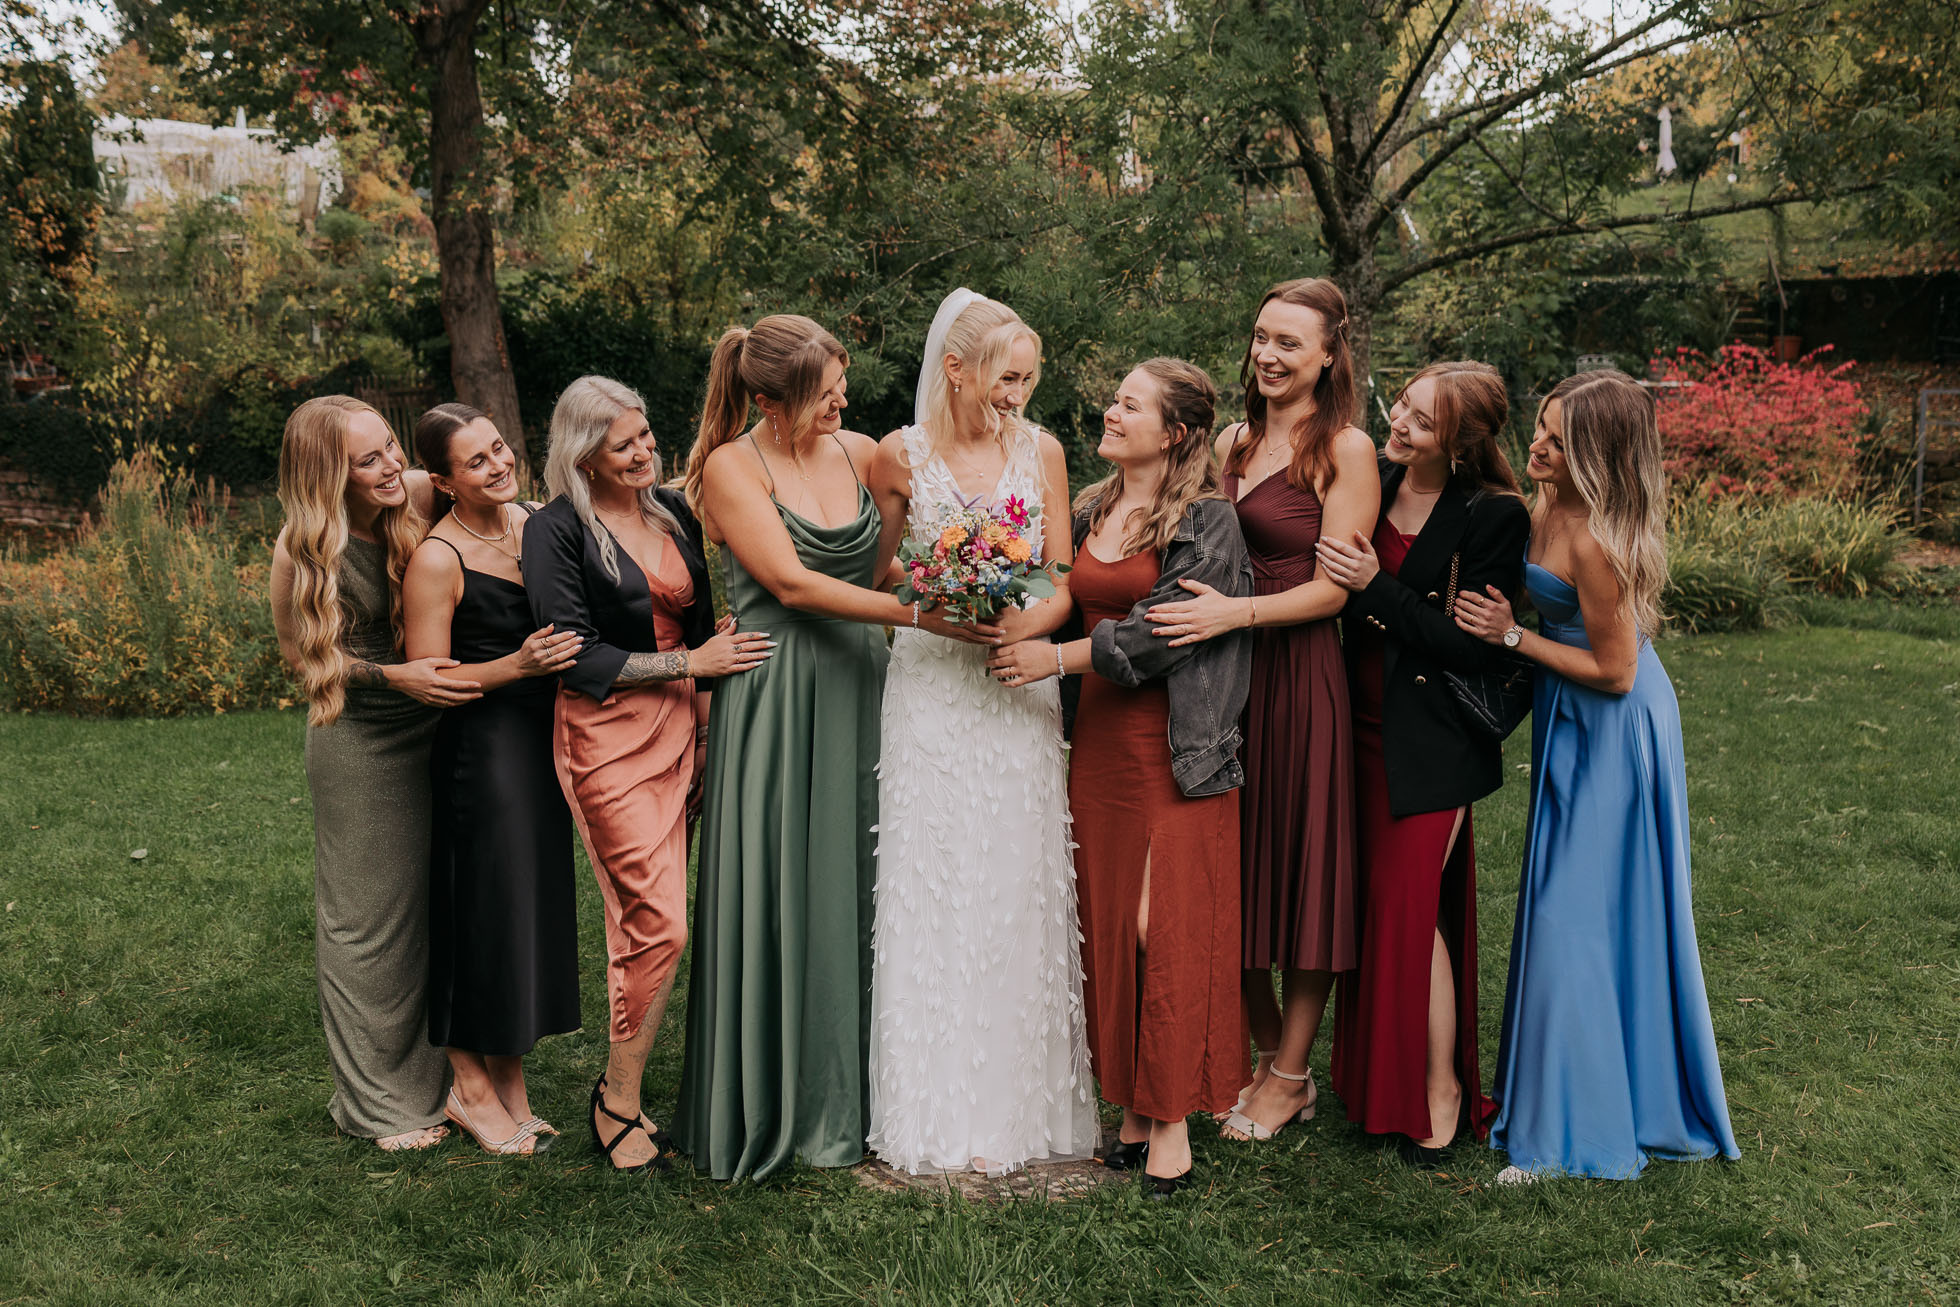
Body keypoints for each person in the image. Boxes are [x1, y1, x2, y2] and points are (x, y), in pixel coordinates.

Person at [673, 314, 988, 1181]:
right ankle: (783, 1101)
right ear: (769, 400)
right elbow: (794, 583)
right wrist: (926, 616)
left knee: (867, 879)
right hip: (778, 693)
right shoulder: (730, 467)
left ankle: (878, 1090)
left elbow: (879, 564)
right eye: (824, 394)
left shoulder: (857, 451)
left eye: (843, 387)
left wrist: (961, 575)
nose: (842, 404)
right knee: (788, 884)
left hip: (861, 681)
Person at [1452, 368, 1740, 1181]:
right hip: (1569, 720)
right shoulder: (1549, 499)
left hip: (1615, 726)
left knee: (1573, 911)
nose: (1536, 445)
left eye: (1554, 437)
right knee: (1566, 905)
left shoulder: (1597, 539)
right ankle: (1573, 1090)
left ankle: (1568, 1134)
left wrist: (1512, 638)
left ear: (1595, 453)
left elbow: (1616, 670)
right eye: (1538, 428)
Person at [989, 358, 1252, 1199]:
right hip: (1098, 745)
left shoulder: (1210, 519)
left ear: (1173, 432)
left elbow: (1159, 635)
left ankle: (1173, 1116)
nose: (1110, 410)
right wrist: (973, 600)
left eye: (1129, 404)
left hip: (1176, 745)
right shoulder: (1100, 506)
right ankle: (1136, 1110)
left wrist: (1053, 658)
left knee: (1160, 927)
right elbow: (1063, 593)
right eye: (1115, 398)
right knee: (1109, 927)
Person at [864, 289, 1095, 1177]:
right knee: (931, 878)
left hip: (1015, 682)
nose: (1018, 395)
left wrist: (1030, 623)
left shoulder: (1043, 451)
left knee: (1011, 874)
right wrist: (944, 597)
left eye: (1029, 379)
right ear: (954, 368)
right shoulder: (899, 455)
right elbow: (880, 571)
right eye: (1007, 377)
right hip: (929, 685)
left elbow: (1063, 575)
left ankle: (1018, 1108)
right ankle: (926, 1107)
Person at [1141, 277, 1377, 1143]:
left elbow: (1332, 593)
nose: (1269, 355)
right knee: (1227, 862)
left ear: (1328, 354)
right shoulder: (1230, 442)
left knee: (1303, 864)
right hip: (1217, 675)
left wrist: (1230, 612)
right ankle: (1271, 1049)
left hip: (1299, 671)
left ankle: (1284, 1077)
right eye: (1260, 336)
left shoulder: (1346, 450)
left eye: (1289, 342)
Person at [522, 376, 771, 1174]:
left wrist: (703, 696)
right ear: (582, 452)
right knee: (658, 920)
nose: (644, 450)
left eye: (646, 434)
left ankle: (624, 1083)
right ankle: (616, 1102)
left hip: (687, 726)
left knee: (660, 917)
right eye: (624, 442)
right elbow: (577, 651)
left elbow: (698, 619)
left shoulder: (672, 510)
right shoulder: (555, 531)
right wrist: (686, 662)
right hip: (607, 734)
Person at [1315, 362, 1530, 1164]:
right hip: (1353, 724)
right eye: (1401, 403)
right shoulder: (1371, 478)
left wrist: (1376, 585)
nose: (1399, 422)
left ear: (1463, 442)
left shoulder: (1492, 514)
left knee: (1410, 914)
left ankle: (1441, 1089)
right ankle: (1376, 1084)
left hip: (1433, 740)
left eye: (1423, 420)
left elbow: (1466, 641)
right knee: (1376, 914)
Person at [269, 394, 478, 1152]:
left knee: (440, 907)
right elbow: (303, 657)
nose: (394, 465)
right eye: (370, 458)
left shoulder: (421, 494)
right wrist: (396, 680)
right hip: (360, 736)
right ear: (330, 474)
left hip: (445, 720)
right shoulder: (301, 548)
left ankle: (454, 1076)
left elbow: (509, 510)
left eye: (392, 445)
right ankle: (380, 1103)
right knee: (368, 922)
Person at [400, 402, 583, 1157]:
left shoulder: (532, 520)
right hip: (484, 747)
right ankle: (469, 1088)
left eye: (499, 447)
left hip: (545, 744)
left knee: (521, 913)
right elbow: (432, 677)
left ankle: (512, 1086)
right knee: (481, 914)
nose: (498, 463)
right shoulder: (438, 559)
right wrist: (518, 664)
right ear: (443, 480)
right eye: (476, 461)